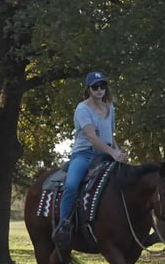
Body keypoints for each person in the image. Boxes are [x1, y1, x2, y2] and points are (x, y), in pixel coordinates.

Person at [53, 71, 128, 250]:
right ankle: (64, 225)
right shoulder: (82, 109)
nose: (100, 90)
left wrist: (117, 152)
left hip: (107, 153)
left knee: (127, 181)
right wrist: (112, 152)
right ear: (88, 89)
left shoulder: (110, 107)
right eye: (95, 87)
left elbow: (110, 135)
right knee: (71, 185)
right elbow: (92, 137)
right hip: (84, 154)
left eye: (103, 86)